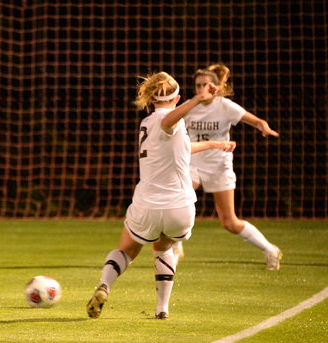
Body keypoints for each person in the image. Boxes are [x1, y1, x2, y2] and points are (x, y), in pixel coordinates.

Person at [87, 72, 235, 320]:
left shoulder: (147, 122)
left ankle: (104, 285)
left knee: (127, 249)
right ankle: (162, 309)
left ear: (151, 98)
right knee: (165, 247)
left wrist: (213, 144)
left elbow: (180, 145)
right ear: (177, 98)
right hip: (180, 206)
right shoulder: (167, 120)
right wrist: (198, 99)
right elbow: (169, 121)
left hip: (147, 205)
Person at [172, 64, 281, 270]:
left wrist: (263, 126)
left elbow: (255, 120)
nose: (201, 89)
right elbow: (168, 122)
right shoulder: (189, 106)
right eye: (198, 85)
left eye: (205, 85)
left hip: (219, 167)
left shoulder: (225, 106)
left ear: (214, 87)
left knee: (229, 222)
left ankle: (270, 250)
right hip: (192, 164)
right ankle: (176, 247)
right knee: (177, 200)